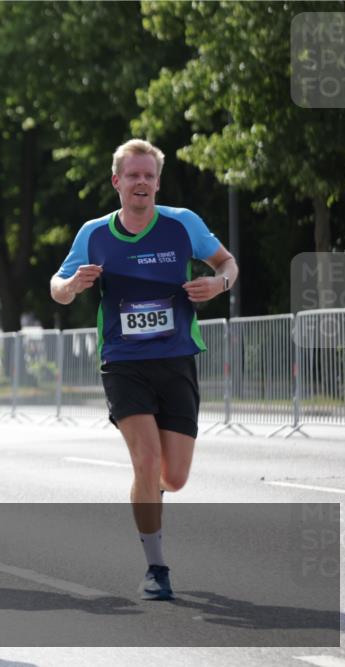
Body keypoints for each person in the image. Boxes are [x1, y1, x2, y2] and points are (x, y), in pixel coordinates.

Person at [50, 139, 238, 601]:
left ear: (157, 182)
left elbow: (227, 263)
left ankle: (145, 490)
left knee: (173, 478)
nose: (141, 183)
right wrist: (72, 285)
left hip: (176, 358)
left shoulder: (182, 225)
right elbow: (57, 287)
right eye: (132, 175)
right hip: (124, 361)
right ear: (117, 182)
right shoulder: (94, 233)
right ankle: (156, 567)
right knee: (147, 460)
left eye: (148, 176)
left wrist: (219, 283)